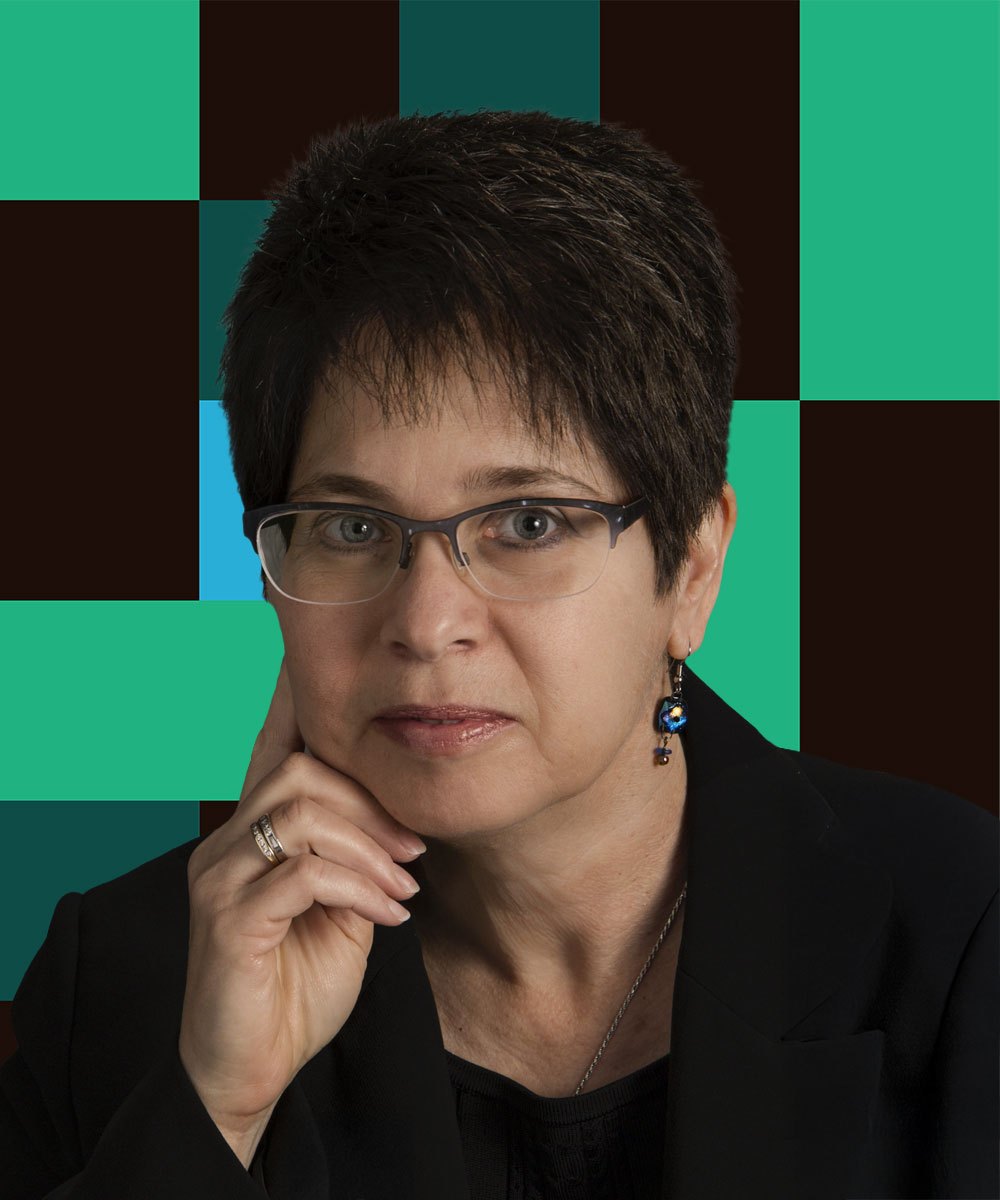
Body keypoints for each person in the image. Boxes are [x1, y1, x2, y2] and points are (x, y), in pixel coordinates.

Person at [1, 111, 997, 1200]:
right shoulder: (125, 981)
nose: (428, 623)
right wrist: (214, 1114)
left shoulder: (962, 934)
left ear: (693, 567)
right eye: (350, 526)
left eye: (528, 522)